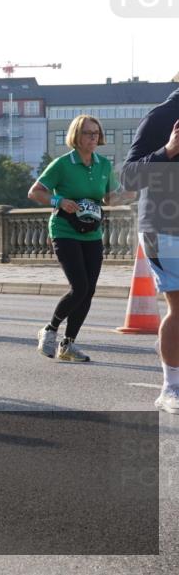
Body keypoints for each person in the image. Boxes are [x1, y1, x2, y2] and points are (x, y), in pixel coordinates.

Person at [29, 114, 130, 363]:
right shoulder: (63, 164)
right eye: (88, 133)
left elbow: (109, 198)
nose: (93, 137)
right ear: (76, 136)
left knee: (89, 290)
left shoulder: (103, 165)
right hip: (64, 230)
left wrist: (132, 194)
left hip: (92, 233)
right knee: (80, 287)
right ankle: (50, 329)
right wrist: (59, 200)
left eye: (96, 133)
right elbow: (35, 192)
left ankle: (68, 345)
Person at [121, 86, 179, 412]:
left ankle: (170, 348)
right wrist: (167, 151)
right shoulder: (161, 116)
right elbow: (128, 177)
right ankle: (171, 388)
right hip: (164, 227)